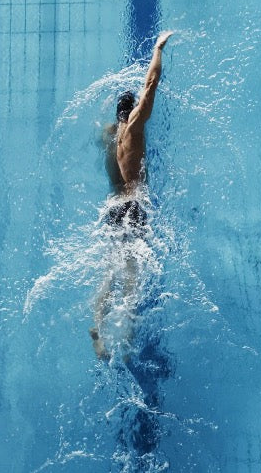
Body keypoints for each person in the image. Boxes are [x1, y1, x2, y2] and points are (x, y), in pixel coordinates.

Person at [90, 31, 173, 360]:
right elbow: (150, 84)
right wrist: (157, 49)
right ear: (132, 111)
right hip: (133, 208)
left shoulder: (109, 135)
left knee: (110, 270)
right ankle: (125, 340)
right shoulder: (134, 128)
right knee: (133, 276)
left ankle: (98, 326)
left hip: (112, 207)